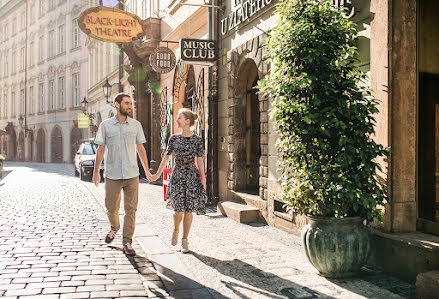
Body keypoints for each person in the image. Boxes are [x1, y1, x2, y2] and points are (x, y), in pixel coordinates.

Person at [93, 93, 152, 256]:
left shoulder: (135, 125)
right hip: (112, 174)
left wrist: (146, 171)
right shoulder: (105, 126)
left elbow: (141, 148)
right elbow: (101, 149)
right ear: (117, 105)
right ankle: (114, 227)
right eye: (126, 103)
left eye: (131, 104)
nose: (130, 106)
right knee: (111, 208)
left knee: (131, 210)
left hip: (132, 174)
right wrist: (96, 171)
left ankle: (127, 242)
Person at [151, 108, 207, 253]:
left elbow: (200, 161)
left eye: (179, 118)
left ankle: (185, 240)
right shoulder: (174, 138)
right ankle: (176, 229)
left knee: (189, 210)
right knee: (178, 209)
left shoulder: (197, 140)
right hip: (177, 174)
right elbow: (166, 158)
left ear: (187, 121)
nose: (176, 120)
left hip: (191, 175)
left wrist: (203, 179)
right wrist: (157, 174)